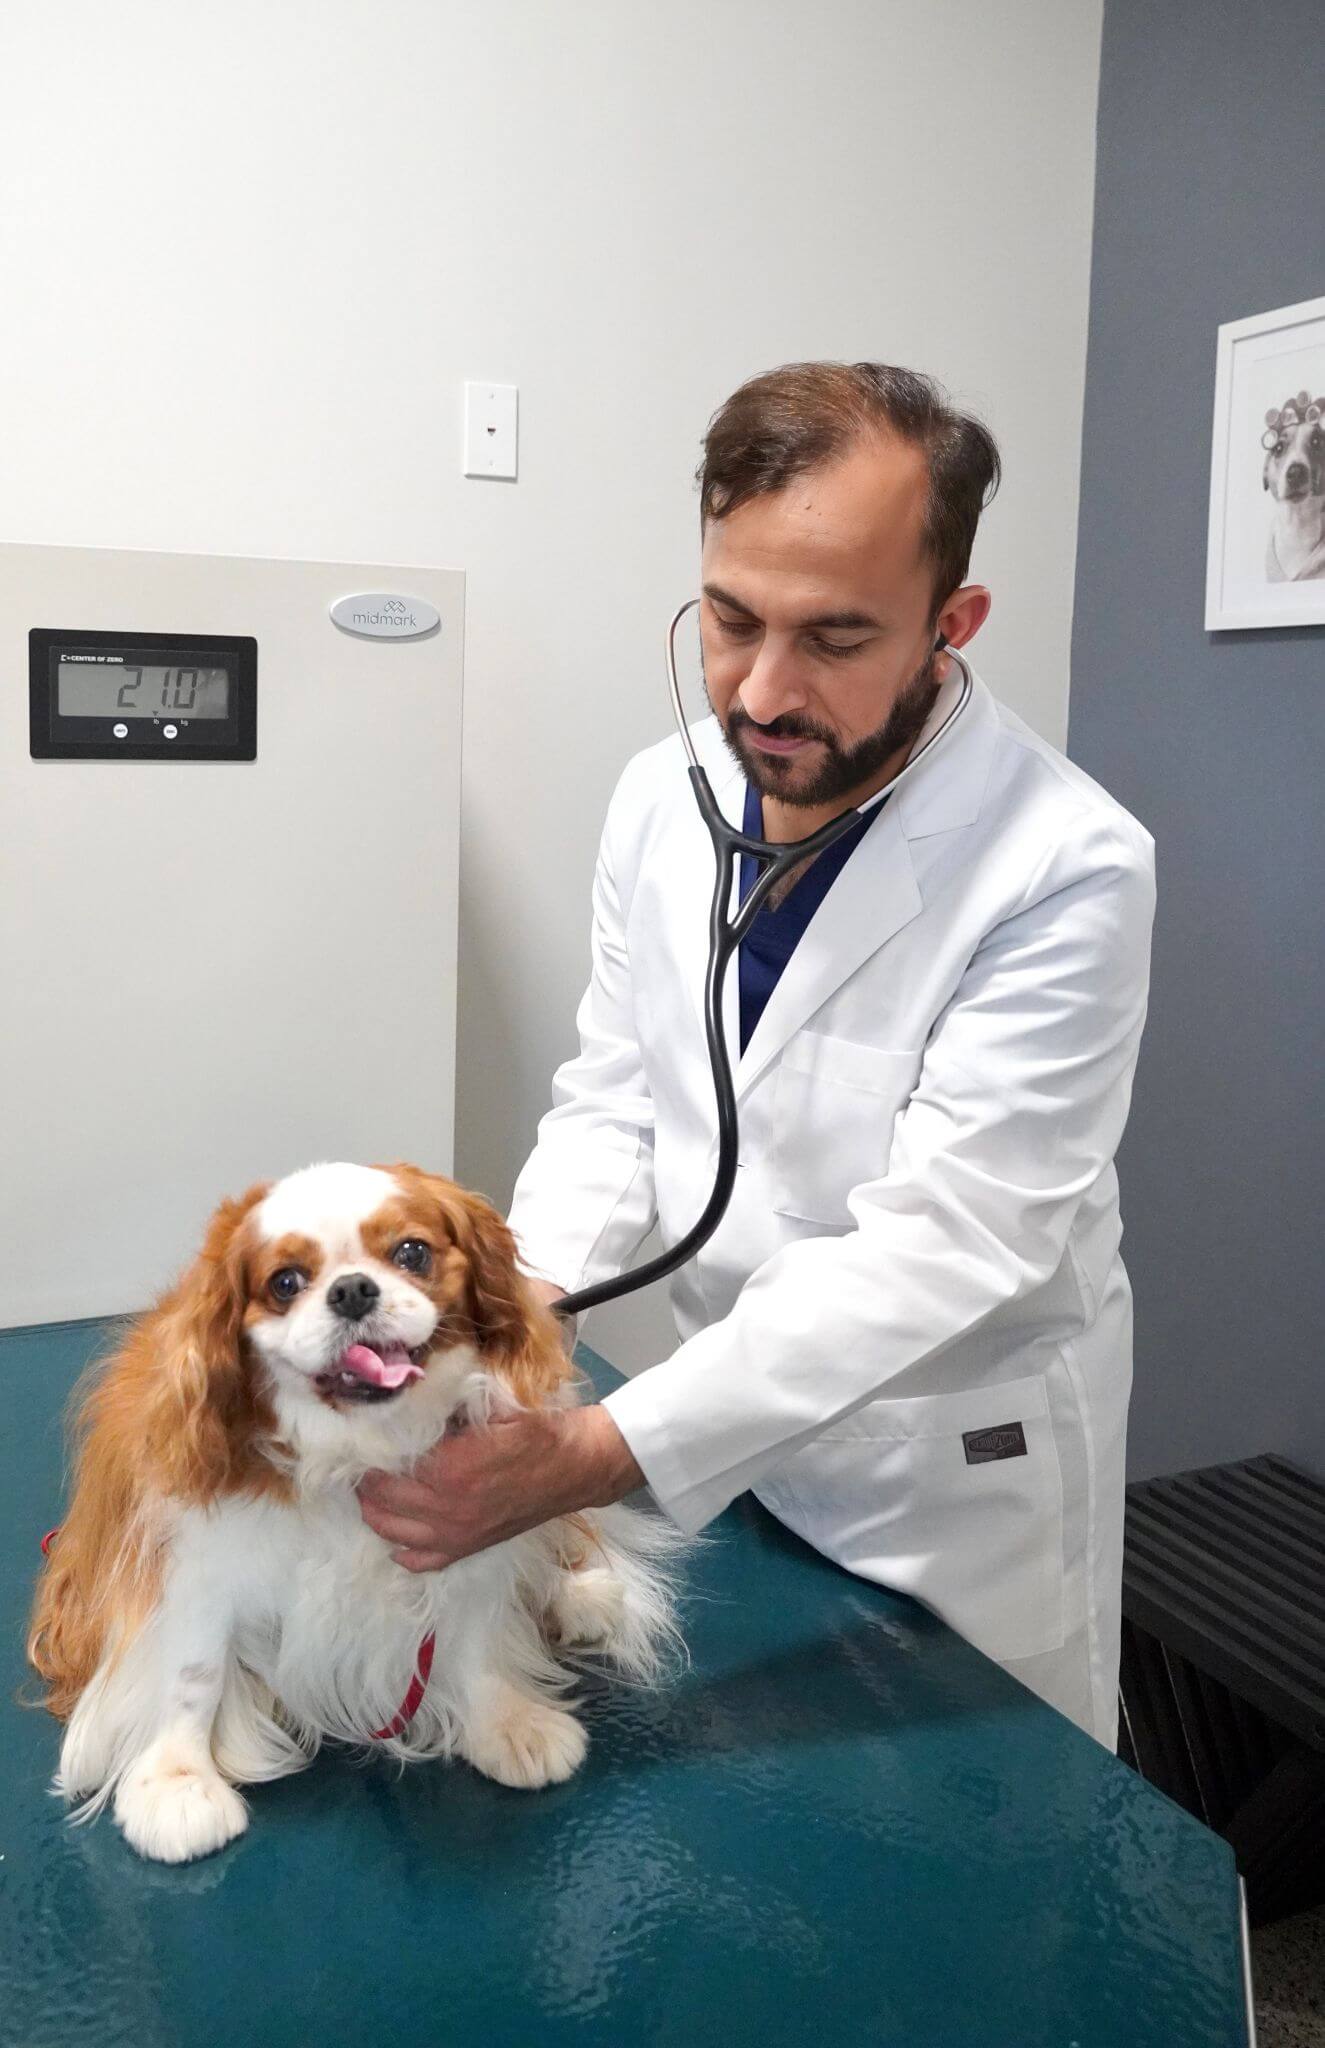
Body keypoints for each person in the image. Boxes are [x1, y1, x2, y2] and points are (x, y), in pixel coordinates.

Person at [357, 361, 1157, 1748]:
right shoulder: (661, 798)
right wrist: (506, 1326)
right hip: (723, 1421)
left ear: (948, 624)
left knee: (976, 1853)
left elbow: (957, 1242)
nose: (765, 692)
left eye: (837, 638)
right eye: (732, 620)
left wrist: (598, 1452)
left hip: (942, 1476)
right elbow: (617, 1097)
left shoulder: (1066, 867)